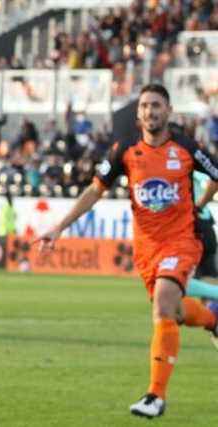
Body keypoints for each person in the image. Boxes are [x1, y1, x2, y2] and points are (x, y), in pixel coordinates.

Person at [37, 84, 218, 419]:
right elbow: (95, 191)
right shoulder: (124, 151)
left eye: (157, 106)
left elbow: (216, 175)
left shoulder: (186, 148)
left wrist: (201, 206)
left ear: (169, 111)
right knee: (174, 311)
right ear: (138, 114)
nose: (151, 112)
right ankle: (213, 317)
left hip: (182, 240)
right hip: (147, 249)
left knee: (164, 303)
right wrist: (60, 226)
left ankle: (155, 397)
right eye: (146, 106)